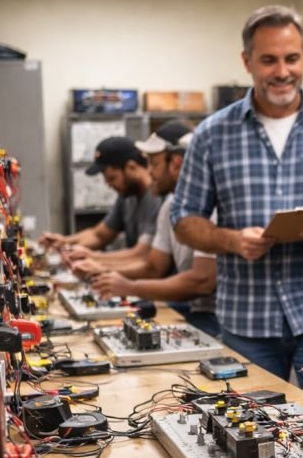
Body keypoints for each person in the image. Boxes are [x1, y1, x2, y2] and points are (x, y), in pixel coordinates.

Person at [171, 5, 303, 384]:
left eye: (292, 58)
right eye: (269, 60)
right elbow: (185, 220)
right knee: (248, 432)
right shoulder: (212, 134)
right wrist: (232, 240)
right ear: (247, 61)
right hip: (246, 316)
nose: (283, 72)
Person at [76, 121, 219, 337]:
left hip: (214, 317)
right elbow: (153, 267)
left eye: (153, 163)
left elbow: (201, 281)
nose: (148, 172)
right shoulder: (170, 206)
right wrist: (106, 273)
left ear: (178, 164)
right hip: (189, 308)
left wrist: (126, 285)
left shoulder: (212, 207)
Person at [40, 137, 161, 269]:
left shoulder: (156, 199)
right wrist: (65, 243)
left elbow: (142, 254)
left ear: (131, 167)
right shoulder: (127, 196)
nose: (108, 185)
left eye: (112, 178)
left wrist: (93, 258)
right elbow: (99, 235)